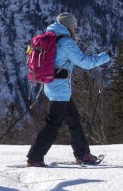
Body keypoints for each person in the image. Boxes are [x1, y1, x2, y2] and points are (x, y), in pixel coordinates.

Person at [26, 12, 111, 167]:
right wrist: (105, 57)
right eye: (74, 28)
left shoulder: (49, 37)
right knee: (53, 124)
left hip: (51, 86)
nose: (75, 31)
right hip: (60, 90)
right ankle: (35, 158)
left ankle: (83, 154)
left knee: (74, 120)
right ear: (70, 27)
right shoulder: (66, 42)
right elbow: (85, 63)